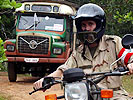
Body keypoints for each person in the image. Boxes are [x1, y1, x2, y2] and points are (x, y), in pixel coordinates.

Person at [33, 3, 133, 100]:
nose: (87, 28)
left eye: (90, 24)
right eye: (83, 25)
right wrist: (45, 80)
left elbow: (128, 56)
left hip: (113, 94)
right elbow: (63, 70)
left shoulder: (114, 43)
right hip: (85, 95)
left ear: (99, 25)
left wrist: (131, 64)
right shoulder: (79, 52)